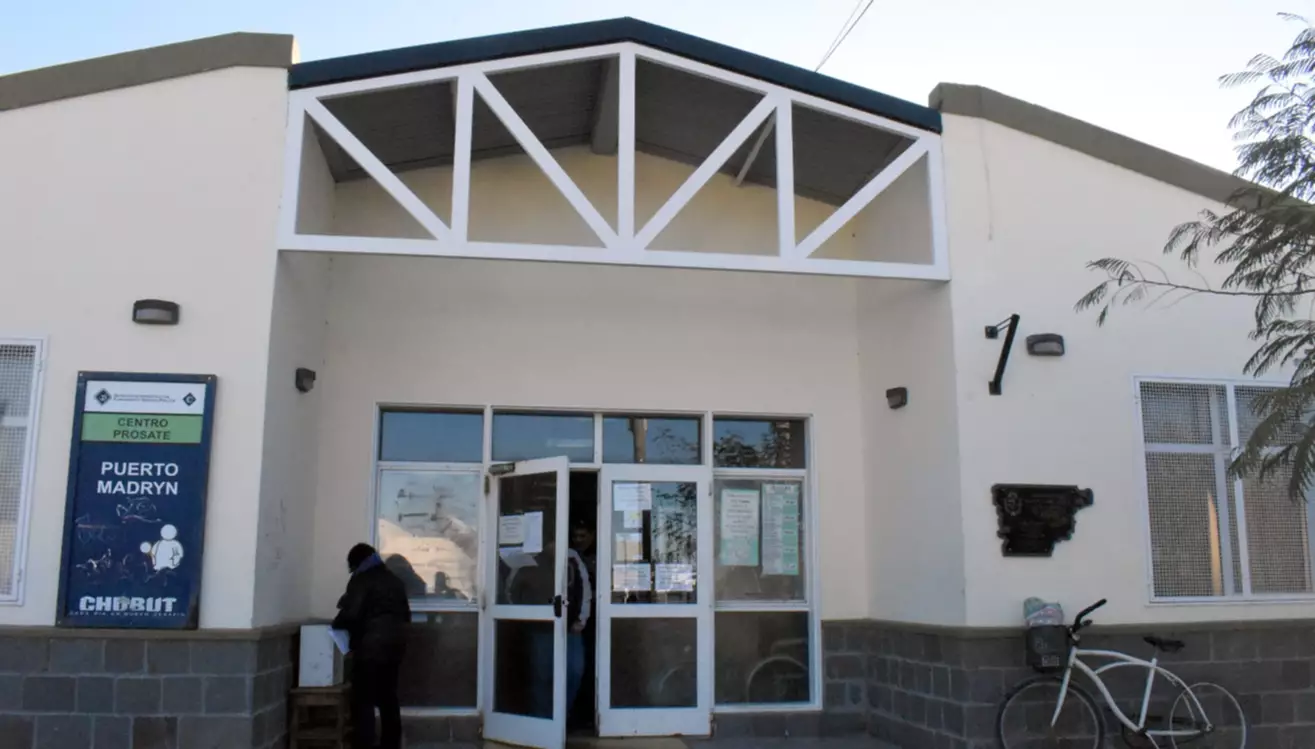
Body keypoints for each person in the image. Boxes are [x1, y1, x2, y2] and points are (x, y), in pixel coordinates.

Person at [334, 543, 411, 749]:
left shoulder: (362, 579)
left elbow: (351, 614)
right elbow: (406, 615)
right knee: (388, 697)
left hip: (370, 648)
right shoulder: (394, 580)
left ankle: (364, 743)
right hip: (395, 648)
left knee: (363, 699)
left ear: (356, 563)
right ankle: (391, 744)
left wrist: (337, 623)